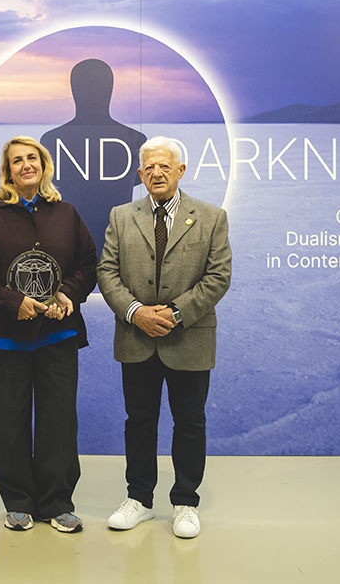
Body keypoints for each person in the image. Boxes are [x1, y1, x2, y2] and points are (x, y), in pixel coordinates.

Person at [0, 136, 97, 533]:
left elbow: (88, 264)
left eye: (32, 158)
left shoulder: (66, 214)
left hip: (57, 335)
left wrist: (68, 293)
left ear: (44, 165)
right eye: (16, 161)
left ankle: (57, 503)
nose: (25, 165)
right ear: (8, 171)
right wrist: (10, 300)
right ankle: (18, 501)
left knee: (58, 422)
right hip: (3, 337)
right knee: (7, 423)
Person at [96, 135, 231, 539]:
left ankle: (186, 502)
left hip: (189, 338)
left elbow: (218, 276)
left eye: (165, 166)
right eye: (149, 167)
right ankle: (138, 498)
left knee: (189, 422)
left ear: (180, 171)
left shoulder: (211, 217)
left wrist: (174, 314)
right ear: (140, 174)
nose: (156, 173)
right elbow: (107, 272)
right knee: (139, 422)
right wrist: (136, 312)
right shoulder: (122, 215)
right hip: (136, 337)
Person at [40, 58, 146, 260]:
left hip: (79, 246)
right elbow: (133, 181)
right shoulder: (134, 140)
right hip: (105, 246)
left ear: (73, 89)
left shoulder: (52, 140)